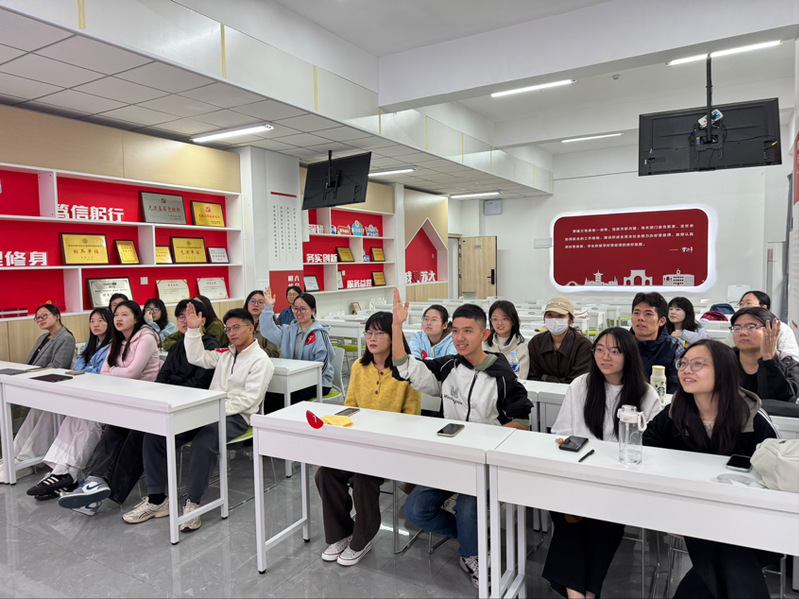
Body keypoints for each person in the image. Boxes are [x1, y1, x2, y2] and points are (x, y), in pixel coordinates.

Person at [391, 288, 532, 589]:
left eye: (468, 330)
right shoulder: (448, 367)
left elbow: (522, 423)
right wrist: (396, 325)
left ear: (484, 334)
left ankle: (472, 553)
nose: (460, 337)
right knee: (416, 509)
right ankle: (473, 537)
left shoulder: (502, 377)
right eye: (455, 330)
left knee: (468, 507)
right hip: (451, 457)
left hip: (484, 463)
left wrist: (486, 443)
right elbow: (407, 368)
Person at [643, 339, 780, 598]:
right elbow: (646, 448)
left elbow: (778, 468)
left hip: (750, 517)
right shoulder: (675, 413)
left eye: (698, 364)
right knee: (723, 549)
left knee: (722, 549)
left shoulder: (752, 417)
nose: (686, 370)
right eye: (683, 363)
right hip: (691, 508)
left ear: (723, 371)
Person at [124, 304, 272, 531]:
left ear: (251, 328)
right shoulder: (225, 354)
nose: (231, 333)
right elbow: (196, 357)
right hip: (206, 411)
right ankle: (157, 499)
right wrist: (193, 331)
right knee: (155, 435)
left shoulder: (261, 361)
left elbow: (248, 401)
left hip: (236, 417)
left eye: (236, 327)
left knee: (203, 443)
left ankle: (193, 504)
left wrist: (211, 409)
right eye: (228, 329)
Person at [543, 327, 661, 598]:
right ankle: (584, 594)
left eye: (615, 351)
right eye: (599, 349)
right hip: (578, 475)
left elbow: (652, 448)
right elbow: (561, 433)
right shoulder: (581, 385)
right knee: (570, 516)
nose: (605, 356)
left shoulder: (646, 394)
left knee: (601, 521)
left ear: (629, 355)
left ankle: (577, 592)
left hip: (618, 482)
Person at [315, 312, 420, 566]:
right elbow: (350, 408)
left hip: (389, 448)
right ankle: (342, 533)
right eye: (369, 332)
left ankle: (362, 538)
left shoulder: (408, 371)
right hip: (358, 444)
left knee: (363, 479)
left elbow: (412, 420)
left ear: (394, 337)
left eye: (379, 333)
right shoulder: (359, 367)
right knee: (325, 474)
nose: (372, 338)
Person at [57, 300, 161, 515]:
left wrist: (115, 372)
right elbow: (106, 372)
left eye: (124, 314)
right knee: (112, 432)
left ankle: (95, 490)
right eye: (116, 315)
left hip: (148, 401)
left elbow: (132, 373)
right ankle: (94, 484)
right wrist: (117, 373)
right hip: (125, 398)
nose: (118, 319)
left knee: (131, 437)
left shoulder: (147, 337)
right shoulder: (118, 340)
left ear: (136, 318)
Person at [24, 308, 112, 498]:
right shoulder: (91, 343)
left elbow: (102, 372)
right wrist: (86, 371)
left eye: (101, 320)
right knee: (71, 419)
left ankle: (69, 474)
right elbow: (78, 367)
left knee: (89, 422)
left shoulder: (114, 345)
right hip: (85, 392)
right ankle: (59, 471)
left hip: (105, 396)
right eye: (92, 321)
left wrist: (86, 371)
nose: (95, 324)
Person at [0, 304, 76, 483]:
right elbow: (29, 363)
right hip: (30, 381)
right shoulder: (43, 337)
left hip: (47, 386)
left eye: (44, 315)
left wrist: (30, 374)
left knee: (35, 413)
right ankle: (12, 455)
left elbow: (58, 367)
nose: (41, 320)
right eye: (38, 318)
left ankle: (22, 459)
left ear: (57, 316)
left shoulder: (65, 338)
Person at [261, 288, 334, 411]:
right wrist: (268, 308)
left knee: (290, 397)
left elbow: (324, 364)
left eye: (303, 309)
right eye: (295, 309)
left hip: (319, 382)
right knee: (269, 394)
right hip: (293, 379)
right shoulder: (288, 330)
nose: (299, 312)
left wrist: (304, 380)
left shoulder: (320, 333)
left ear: (313, 310)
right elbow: (267, 330)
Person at [729, 307, 799, 403]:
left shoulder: (789, 366)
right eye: (737, 328)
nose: (742, 332)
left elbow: (778, 404)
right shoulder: (722, 360)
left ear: (772, 330)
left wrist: (768, 359)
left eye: (751, 327)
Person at [527, 296, 593, 383]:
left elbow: (577, 381)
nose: (554, 320)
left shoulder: (583, 346)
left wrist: (546, 378)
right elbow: (532, 377)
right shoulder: (536, 343)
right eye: (549, 315)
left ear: (571, 320)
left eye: (560, 316)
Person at [630, 292, 684, 393]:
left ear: (662, 321)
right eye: (636, 313)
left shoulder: (674, 347)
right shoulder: (620, 343)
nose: (640, 318)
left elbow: (677, 386)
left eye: (648, 314)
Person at [736, 290, 799, 360]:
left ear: (763, 307)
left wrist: (770, 355)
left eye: (748, 303)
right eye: (741, 304)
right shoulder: (737, 327)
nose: (743, 307)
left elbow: (793, 359)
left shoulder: (780, 328)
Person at [483, 300, 529, 378]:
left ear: (513, 321)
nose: (499, 323)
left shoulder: (521, 347)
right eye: (495, 319)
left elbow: (521, 378)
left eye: (505, 319)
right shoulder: (483, 344)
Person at [244, 289, 280, 358]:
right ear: (247, 303)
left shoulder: (271, 326)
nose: (256, 304)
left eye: (260, 302)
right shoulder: (240, 324)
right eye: (252, 301)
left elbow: (273, 352)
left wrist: (251, 354)